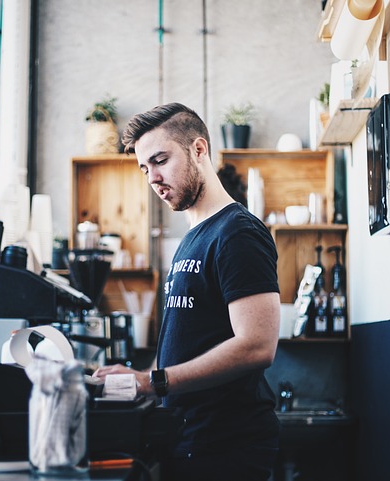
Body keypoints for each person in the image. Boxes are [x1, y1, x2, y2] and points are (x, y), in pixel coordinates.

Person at [93, 103, 281, 481]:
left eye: (160, 160)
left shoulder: (237, 233)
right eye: (145, 168)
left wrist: (153, 382)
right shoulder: (192, 238)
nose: (152, 178)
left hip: (228, 449)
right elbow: (190, 344)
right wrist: (141, 377)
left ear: (199, 150)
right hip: (190, 439)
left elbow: (258, 345)